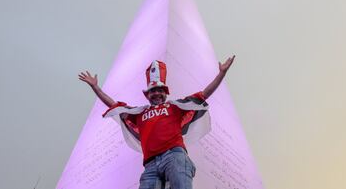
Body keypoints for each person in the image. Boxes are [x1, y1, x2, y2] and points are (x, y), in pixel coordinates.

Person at [78, 56, 235, 189]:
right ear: (147, 95)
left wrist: (221, 74)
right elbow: (114, 105)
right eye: (153, 91)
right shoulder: (139, 113)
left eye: (160, 90)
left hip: (174, 156)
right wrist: (95, 87)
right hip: (150, 165)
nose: (157, 93)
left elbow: (203, 95)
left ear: (165, 93)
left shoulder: (175, 106)